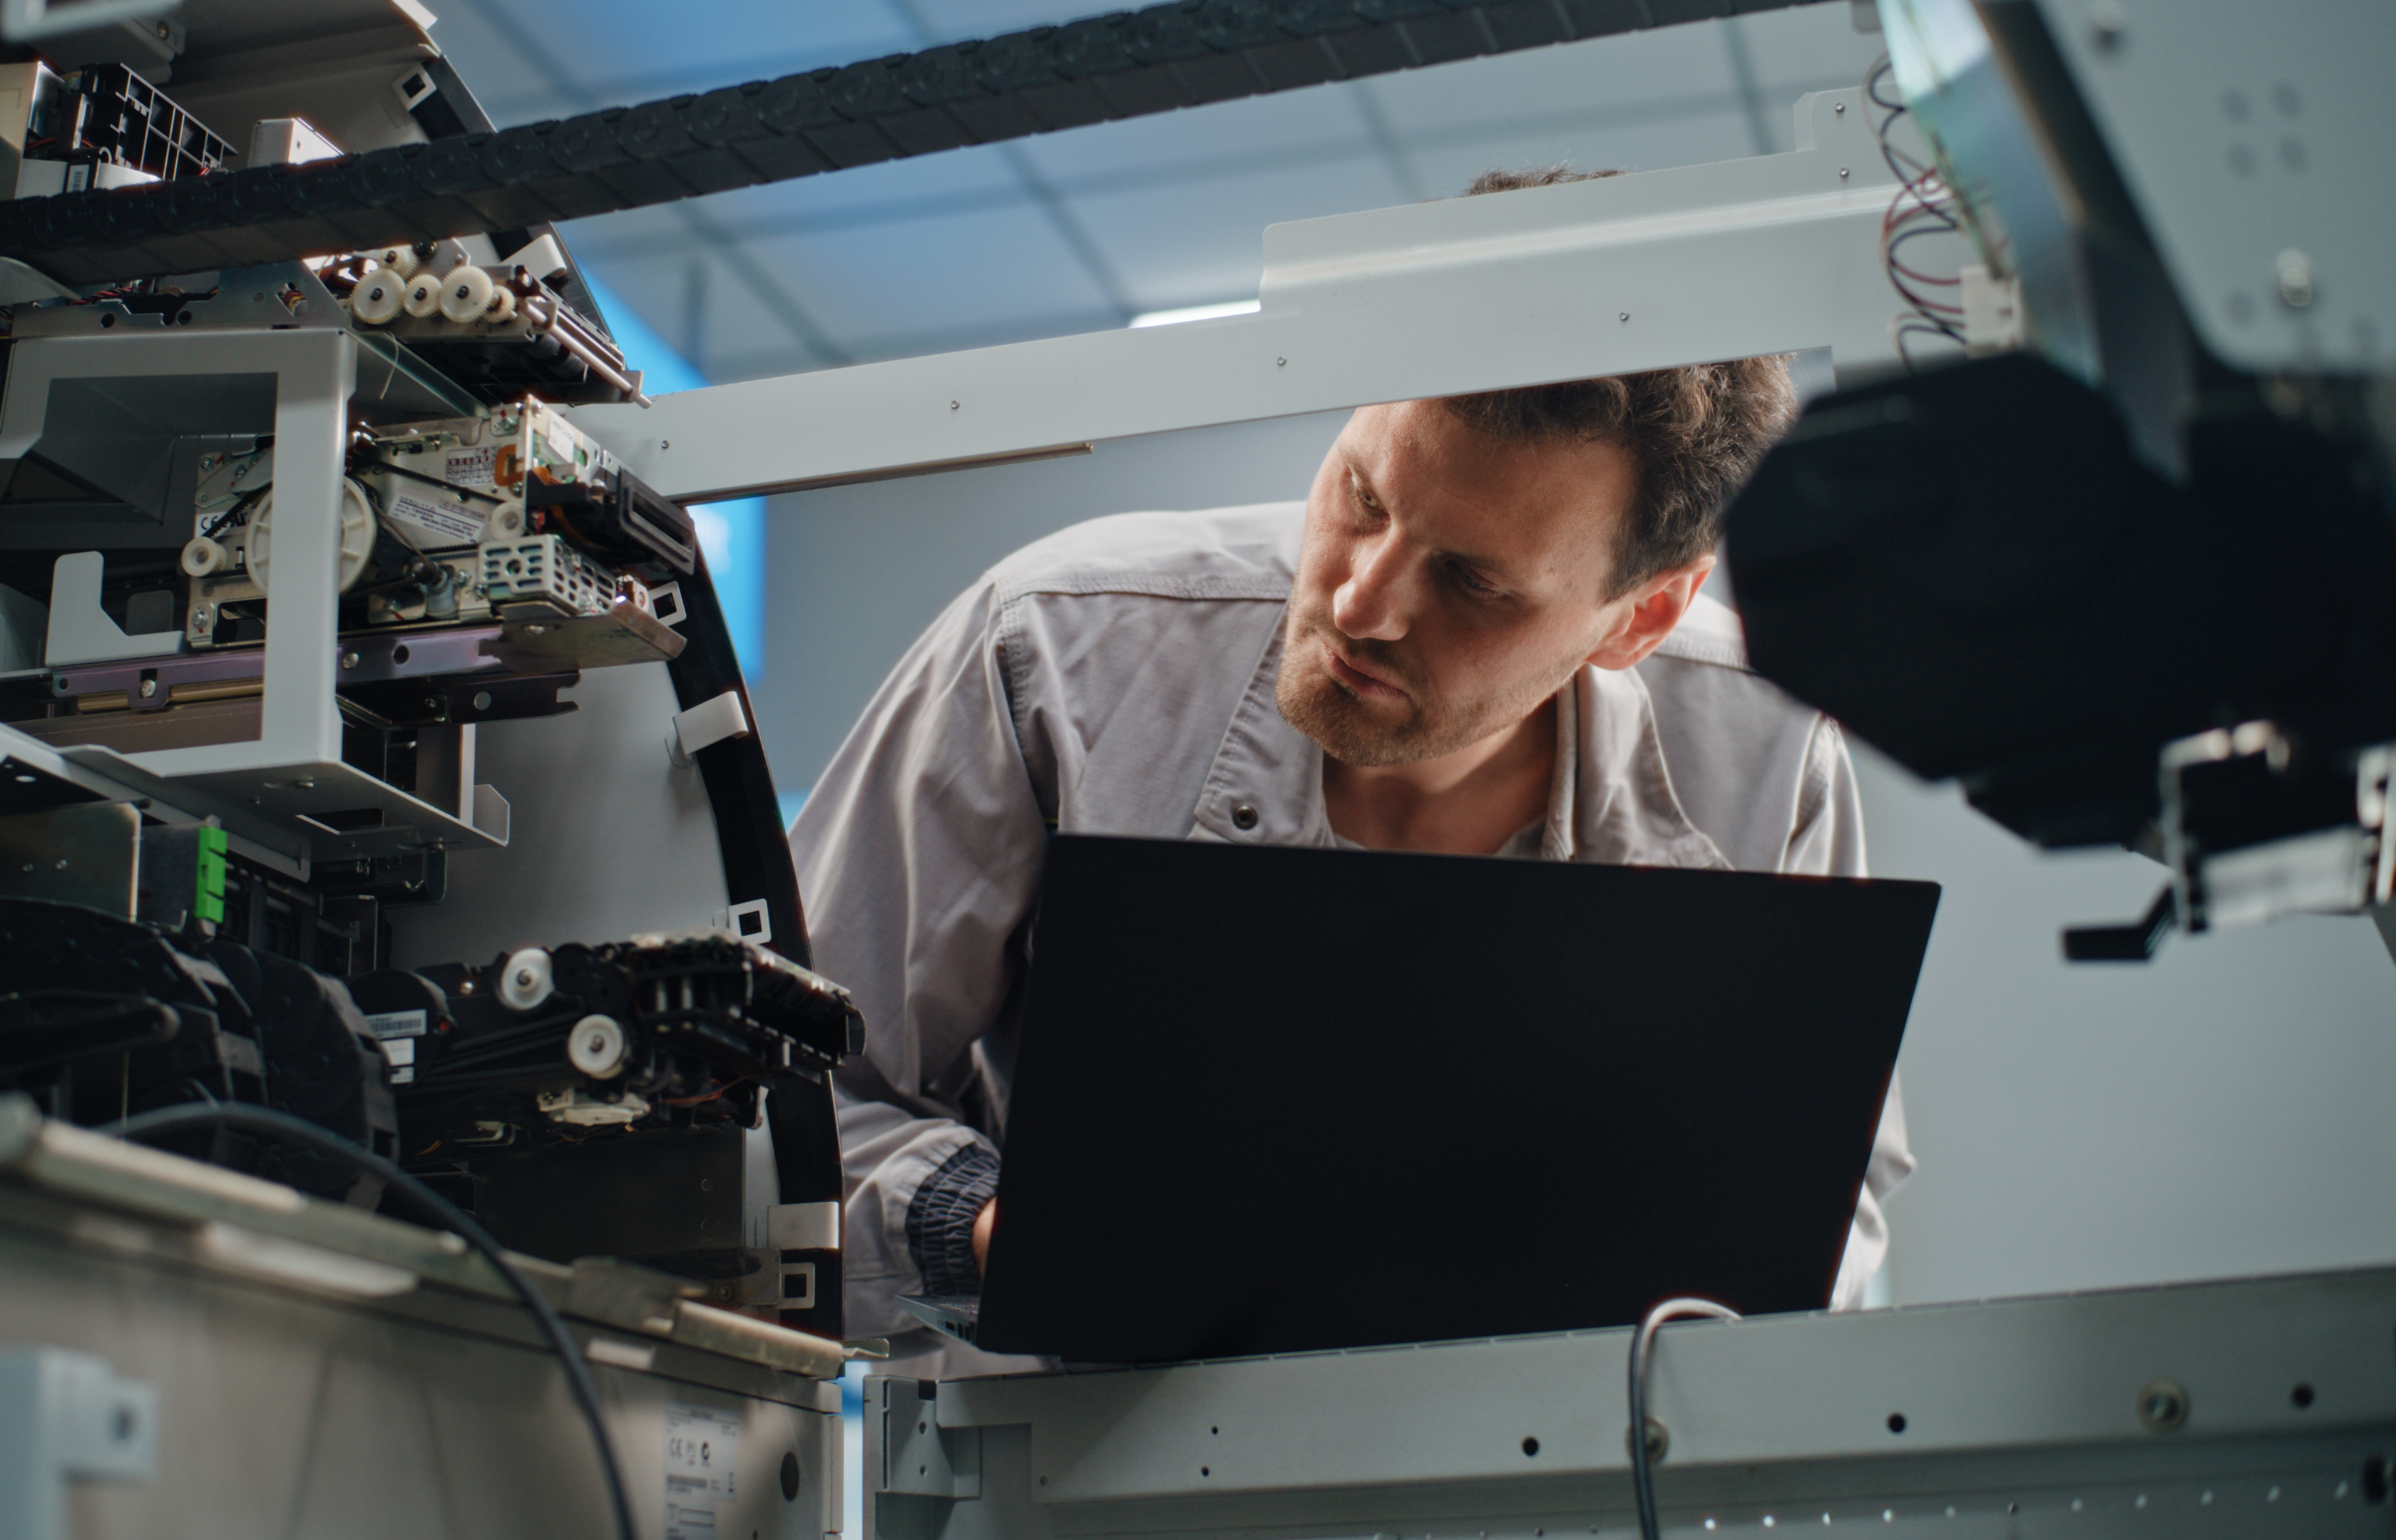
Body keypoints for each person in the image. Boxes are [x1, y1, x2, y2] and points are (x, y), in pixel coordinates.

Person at [792, 170, 1913, 1364]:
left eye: (1474, 583)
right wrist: (990, 1228)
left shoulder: (1769, 751)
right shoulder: (1056, 648)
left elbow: (1829, 1188)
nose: (1359, 602)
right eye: (1362, 496)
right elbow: (782, 1085)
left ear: (1640, 618)